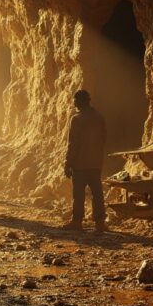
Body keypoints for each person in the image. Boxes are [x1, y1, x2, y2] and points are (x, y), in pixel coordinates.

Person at [64, 89, 108, 230]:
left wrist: (68, 163)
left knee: (78, 194)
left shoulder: (76, 119)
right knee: (97, 193)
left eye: (75, 100)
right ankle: (100, 223)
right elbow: (104, 138)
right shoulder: (99, 117)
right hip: (95, 163)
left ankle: (77, 222)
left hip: (80, 164)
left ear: (80, 101)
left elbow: (73, 144)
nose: (74, 102)